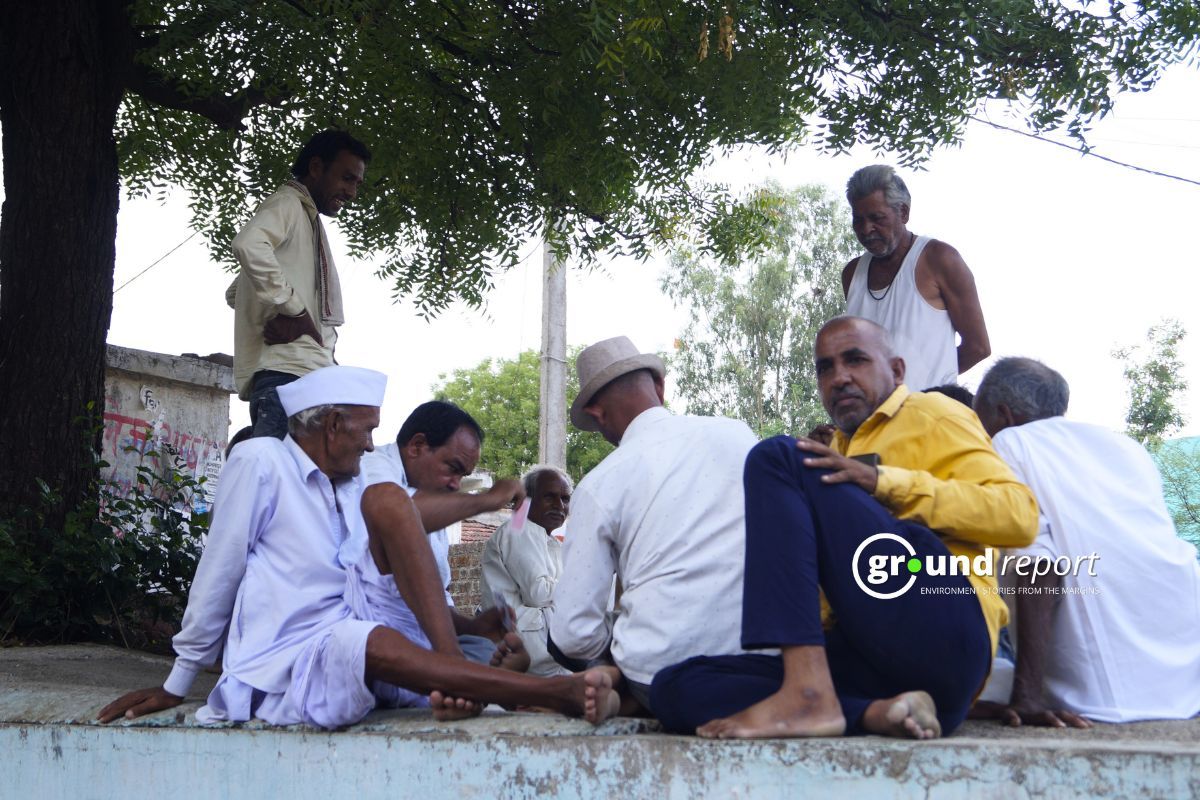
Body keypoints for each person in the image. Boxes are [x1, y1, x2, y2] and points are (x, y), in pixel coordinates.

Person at [97, 366, 615, 728]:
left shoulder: (354, 483)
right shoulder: (262, 462)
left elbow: (402, 545)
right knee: (370, 638)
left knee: (388, 505)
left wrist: (469, 626)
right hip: (295, 652)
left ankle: (460, 671)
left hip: (363, 614)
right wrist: (179, 679)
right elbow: (220, 568)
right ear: (331, 424)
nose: (371, 444)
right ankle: (544, 692)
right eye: (366, 430)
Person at [650, 316, 1037, 739]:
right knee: (673, 687)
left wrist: (883, 482)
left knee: (777, 454)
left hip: (943, 622)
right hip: (882, 668)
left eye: (855, 360)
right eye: (825, 368)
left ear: (897, 371)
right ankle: (871, 712)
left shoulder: (933, 413)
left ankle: (807, 695)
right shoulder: (832, 450)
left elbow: (1019, 515)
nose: (839, 378)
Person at [971, 357, 1200, 726]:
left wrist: (1027, 696)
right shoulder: (1124, 446)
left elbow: (1037, 562)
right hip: (1184, 681)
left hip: (1104, 696)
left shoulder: (1008, 442)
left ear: (1002, 414)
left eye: (977, 421)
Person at [548, 336, 760, 719]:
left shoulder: (600, 483)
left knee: (565, 643)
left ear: (596, 415)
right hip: (767, 661)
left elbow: (573, 633)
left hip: (666, 675)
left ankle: (621, 687)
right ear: (660, 387)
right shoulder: (739, 434)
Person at [358, 401, 526, 664]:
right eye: (453, 468)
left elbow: (436, 602)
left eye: (463, 476)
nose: (455, 484)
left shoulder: (434, 501)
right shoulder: (372, 466)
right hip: (373, 634)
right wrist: (489, 500)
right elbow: (397, 515)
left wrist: (474, 627)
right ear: (417, 446)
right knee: (487, 673)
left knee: (500, 656)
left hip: (422, 640)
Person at [228, 130, 371, 438]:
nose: (352, 192)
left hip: (304, 377)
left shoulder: (306, 217)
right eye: (347, 178)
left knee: (301, 481)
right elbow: (249, 244)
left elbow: (236, 292)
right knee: (279, 480)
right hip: (287, 377)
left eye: (357, 183)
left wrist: (276, 304)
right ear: (316, 168)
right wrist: (293, 309)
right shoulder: (289, 203)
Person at [842, 165, 990, 390]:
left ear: (903, 212)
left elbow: (978, 347)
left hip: (929, 416)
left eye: (876, 218)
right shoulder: (853, 273)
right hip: (873, 421)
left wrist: (932, 384)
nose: (866, 229)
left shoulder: (939, 259)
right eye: (858, 220)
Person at [481, 466, 574, 677]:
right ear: (527, 500)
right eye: (549, 497)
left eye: (565, 499)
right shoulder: (520, 527)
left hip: (539, 649)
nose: (559, 506)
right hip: (529, 650)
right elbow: (539, 592)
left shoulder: (540, 535)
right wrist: (582, 583)